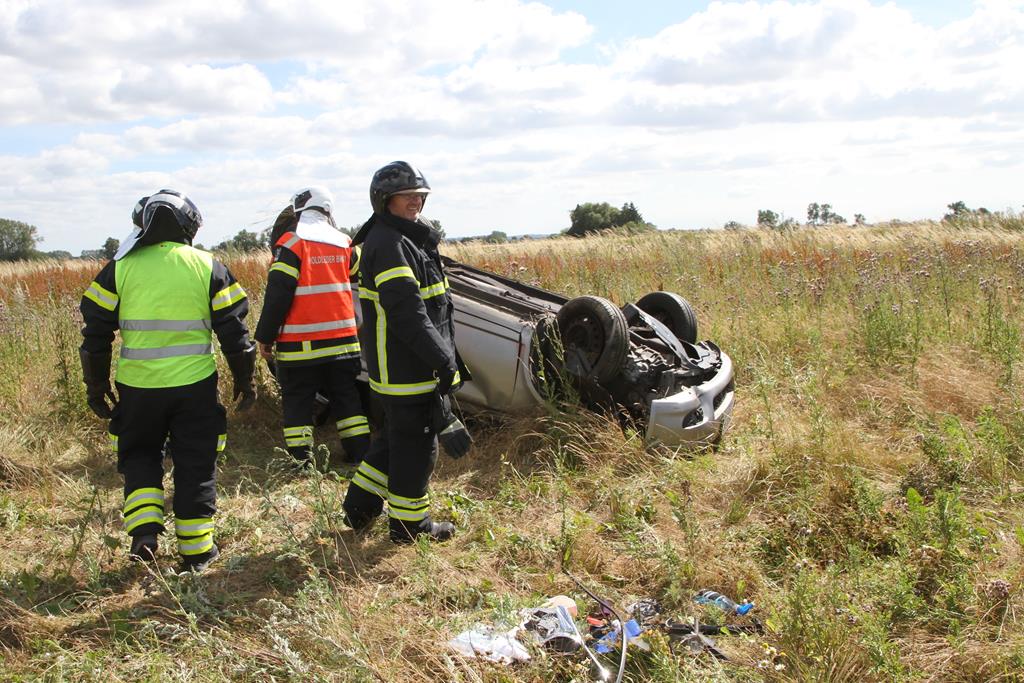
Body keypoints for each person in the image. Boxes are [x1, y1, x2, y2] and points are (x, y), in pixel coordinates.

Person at [79, 190, 257, 572]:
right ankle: (196, 553)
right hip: (194, 387)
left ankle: (144, 533)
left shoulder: (119, 267)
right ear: (190, 225)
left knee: (139, 455)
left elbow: (94, 334)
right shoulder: (207, 265)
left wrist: (95, 387)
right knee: (196, 461)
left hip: (138, 388)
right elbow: (235, 334)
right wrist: (246, 381)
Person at [342, 161, 472, 544]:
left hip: (399, 367)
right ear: (385, 200)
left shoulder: (401, 239)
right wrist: (443, 361)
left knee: (394, 441)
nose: (417, 200)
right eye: (408, 195)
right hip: (406, 369)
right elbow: (409, 316)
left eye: (421, 195)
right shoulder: (391, 244)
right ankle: (409, 526)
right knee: (418, 448)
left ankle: (359, 507)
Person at [254, 186, 369, 468]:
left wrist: (265, 337)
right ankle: (360, 455)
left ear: (298, 211)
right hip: (344, 342)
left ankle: (301, 463)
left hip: (300, 346)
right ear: (328, 211)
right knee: (347, 400)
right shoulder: (345, 243)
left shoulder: (291, 244)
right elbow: (358, 281)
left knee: (298, 403)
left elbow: (278, 294)